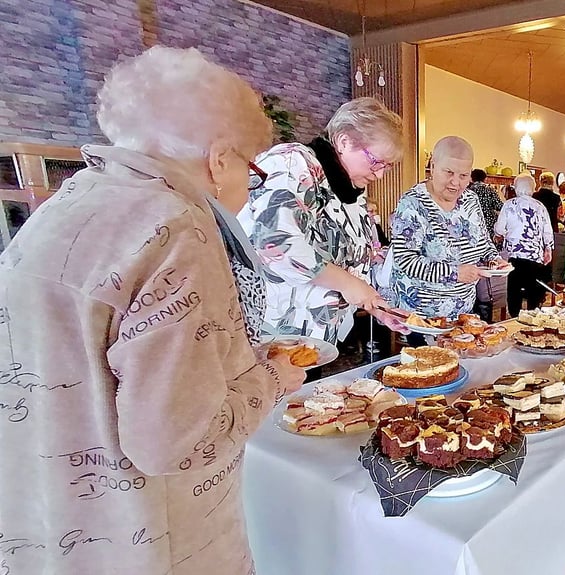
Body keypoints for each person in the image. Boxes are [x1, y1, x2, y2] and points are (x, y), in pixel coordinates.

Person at [0, 46, 307, 575]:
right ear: (219, 159)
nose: (246, 192)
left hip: (50, 523)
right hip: (153, 540)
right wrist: (274, 378)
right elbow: (176, 440)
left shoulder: (68, 204)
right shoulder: (177, 227)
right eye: (249, 172)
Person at [239, 97, 407, 357]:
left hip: (315, 340)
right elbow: (274, 241)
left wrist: (379, 309)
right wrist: (349, 283)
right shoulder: (293, 163)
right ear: (344, 141)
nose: (380, 175)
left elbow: (353, 265)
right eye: (376, 161)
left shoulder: (352, 191)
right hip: (274, 337)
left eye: (387, 166)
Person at [390, 136, 506, 323]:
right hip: (421, 316)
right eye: (449, 172)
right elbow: (405, 260)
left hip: (463, 311)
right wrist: (454, 273)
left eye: (463, 176)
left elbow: (483, 242)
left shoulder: (470, 200)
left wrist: (495, 259)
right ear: (433, 166)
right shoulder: (413, 203)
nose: (456, 183)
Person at [495, 173, 554, 316]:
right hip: (535, 256)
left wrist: (500, 234)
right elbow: (548, 231)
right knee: (533, 291)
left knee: (514, 291)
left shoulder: (509, 205)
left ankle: (514, 319)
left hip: (514, 257)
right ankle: (532, 320)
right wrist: (548, 249)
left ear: (515, 188)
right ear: (533, 188)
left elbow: (499, 229)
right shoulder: (540, 206)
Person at [468, 168, 504, 246]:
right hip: (489, 223)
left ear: (472, 178)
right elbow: (499, 206)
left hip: (474, 222)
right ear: (485, 178)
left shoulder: (468, 191)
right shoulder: (490, 190)